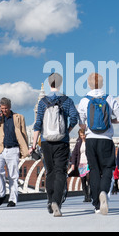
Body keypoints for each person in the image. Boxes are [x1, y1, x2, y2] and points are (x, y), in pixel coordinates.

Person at [31, 73, 78, 217]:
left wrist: (33, 145)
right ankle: (57, 201)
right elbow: (74, 118)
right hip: (62, 141)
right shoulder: (66, 100)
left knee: (50, 171)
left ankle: (50, 200)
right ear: (60, 83)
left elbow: (37, 124)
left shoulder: (43, 102)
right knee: (60, 172)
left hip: (46, 142)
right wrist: (67, 131)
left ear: (49, 83)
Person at [77, 72, 119, 214]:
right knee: (108, 169)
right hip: (106, 140)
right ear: (102, 84)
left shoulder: (84, 100)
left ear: (89, 84)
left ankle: (97, 204)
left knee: (94, 170)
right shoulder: (109, 98)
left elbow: (81, 124)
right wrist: (110, 121)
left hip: (91, 140)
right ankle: (104, 192)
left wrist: (89, 126)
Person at [0, 97, 30, 207]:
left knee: (13, 176)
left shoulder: (19, 117)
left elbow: (24, 133)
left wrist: (24, 149)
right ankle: (2, 194)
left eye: (6, 108)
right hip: (0, 149)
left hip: (13, 149)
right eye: (2, 108)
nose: (4, 110)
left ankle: (12, 200)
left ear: (10, 107)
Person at [70, 128, 91, 202]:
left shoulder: (89, 142)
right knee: (83, 180)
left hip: (88, 163)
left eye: (83, 135)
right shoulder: (78, 142)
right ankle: (86, 196)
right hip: (81, 164)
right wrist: (73, 164)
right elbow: (74, 153)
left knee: (89, 179)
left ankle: (90, 195)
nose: (83, 137)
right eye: (81, 135)